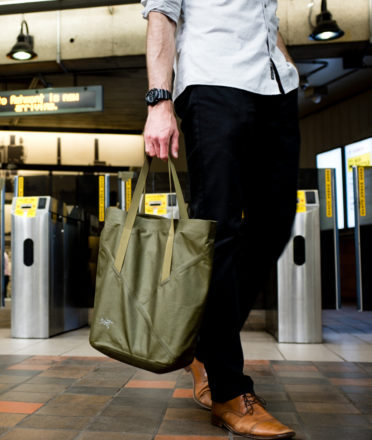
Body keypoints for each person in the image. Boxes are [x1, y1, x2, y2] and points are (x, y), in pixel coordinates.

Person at [141, 1, 299, 439]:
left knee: (275, 223)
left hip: (276, 86)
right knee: (220, 230)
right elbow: (161, 15)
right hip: (214, 81)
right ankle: (229, 390)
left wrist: (285, 65)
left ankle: (204, 346)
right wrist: (160, 100)